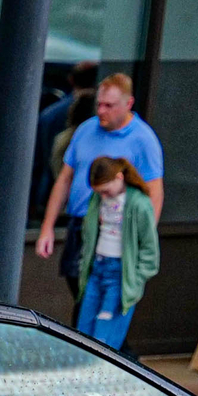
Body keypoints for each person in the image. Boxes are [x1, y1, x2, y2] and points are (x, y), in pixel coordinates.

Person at [35, 73, 164, 302]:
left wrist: (141, 238)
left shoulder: (143, 139)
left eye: (109, 105)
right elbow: (64, 179)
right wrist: (48, 227)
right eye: (99, 104)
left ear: (128, 103)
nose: (102, 111)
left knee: (102, 300)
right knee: (80, 294)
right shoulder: (86, 129)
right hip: (79, 223)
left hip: (115, 228)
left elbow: (155, 193)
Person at [73, 155, 160, 351]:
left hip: (120, 273)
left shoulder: (139, 203)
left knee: (104, 340)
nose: (103, 196)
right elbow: (89, 234)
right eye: (99, 192)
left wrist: (134, 281)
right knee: (82, 334)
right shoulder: (97, 199)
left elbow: (149, 249)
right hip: (97, 268)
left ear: (119, 177)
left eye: (106, 190)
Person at [31, 62, 99, 213]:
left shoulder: (50, 114)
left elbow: (38, 160)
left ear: (71, 80)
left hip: (48, 190)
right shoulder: (100, 116)